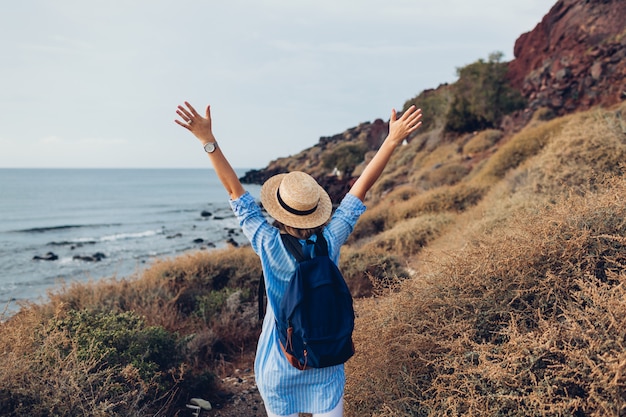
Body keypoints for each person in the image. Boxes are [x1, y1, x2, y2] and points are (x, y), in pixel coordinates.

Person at [175, 101, 422, 417]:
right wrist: (390, 140)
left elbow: (236, 194)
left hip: (280, 365)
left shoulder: (266, 242)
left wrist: (206, 140)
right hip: (325, 361)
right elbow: (360, 191)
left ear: (278, 209)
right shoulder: (331, 240)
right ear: (317, 208)